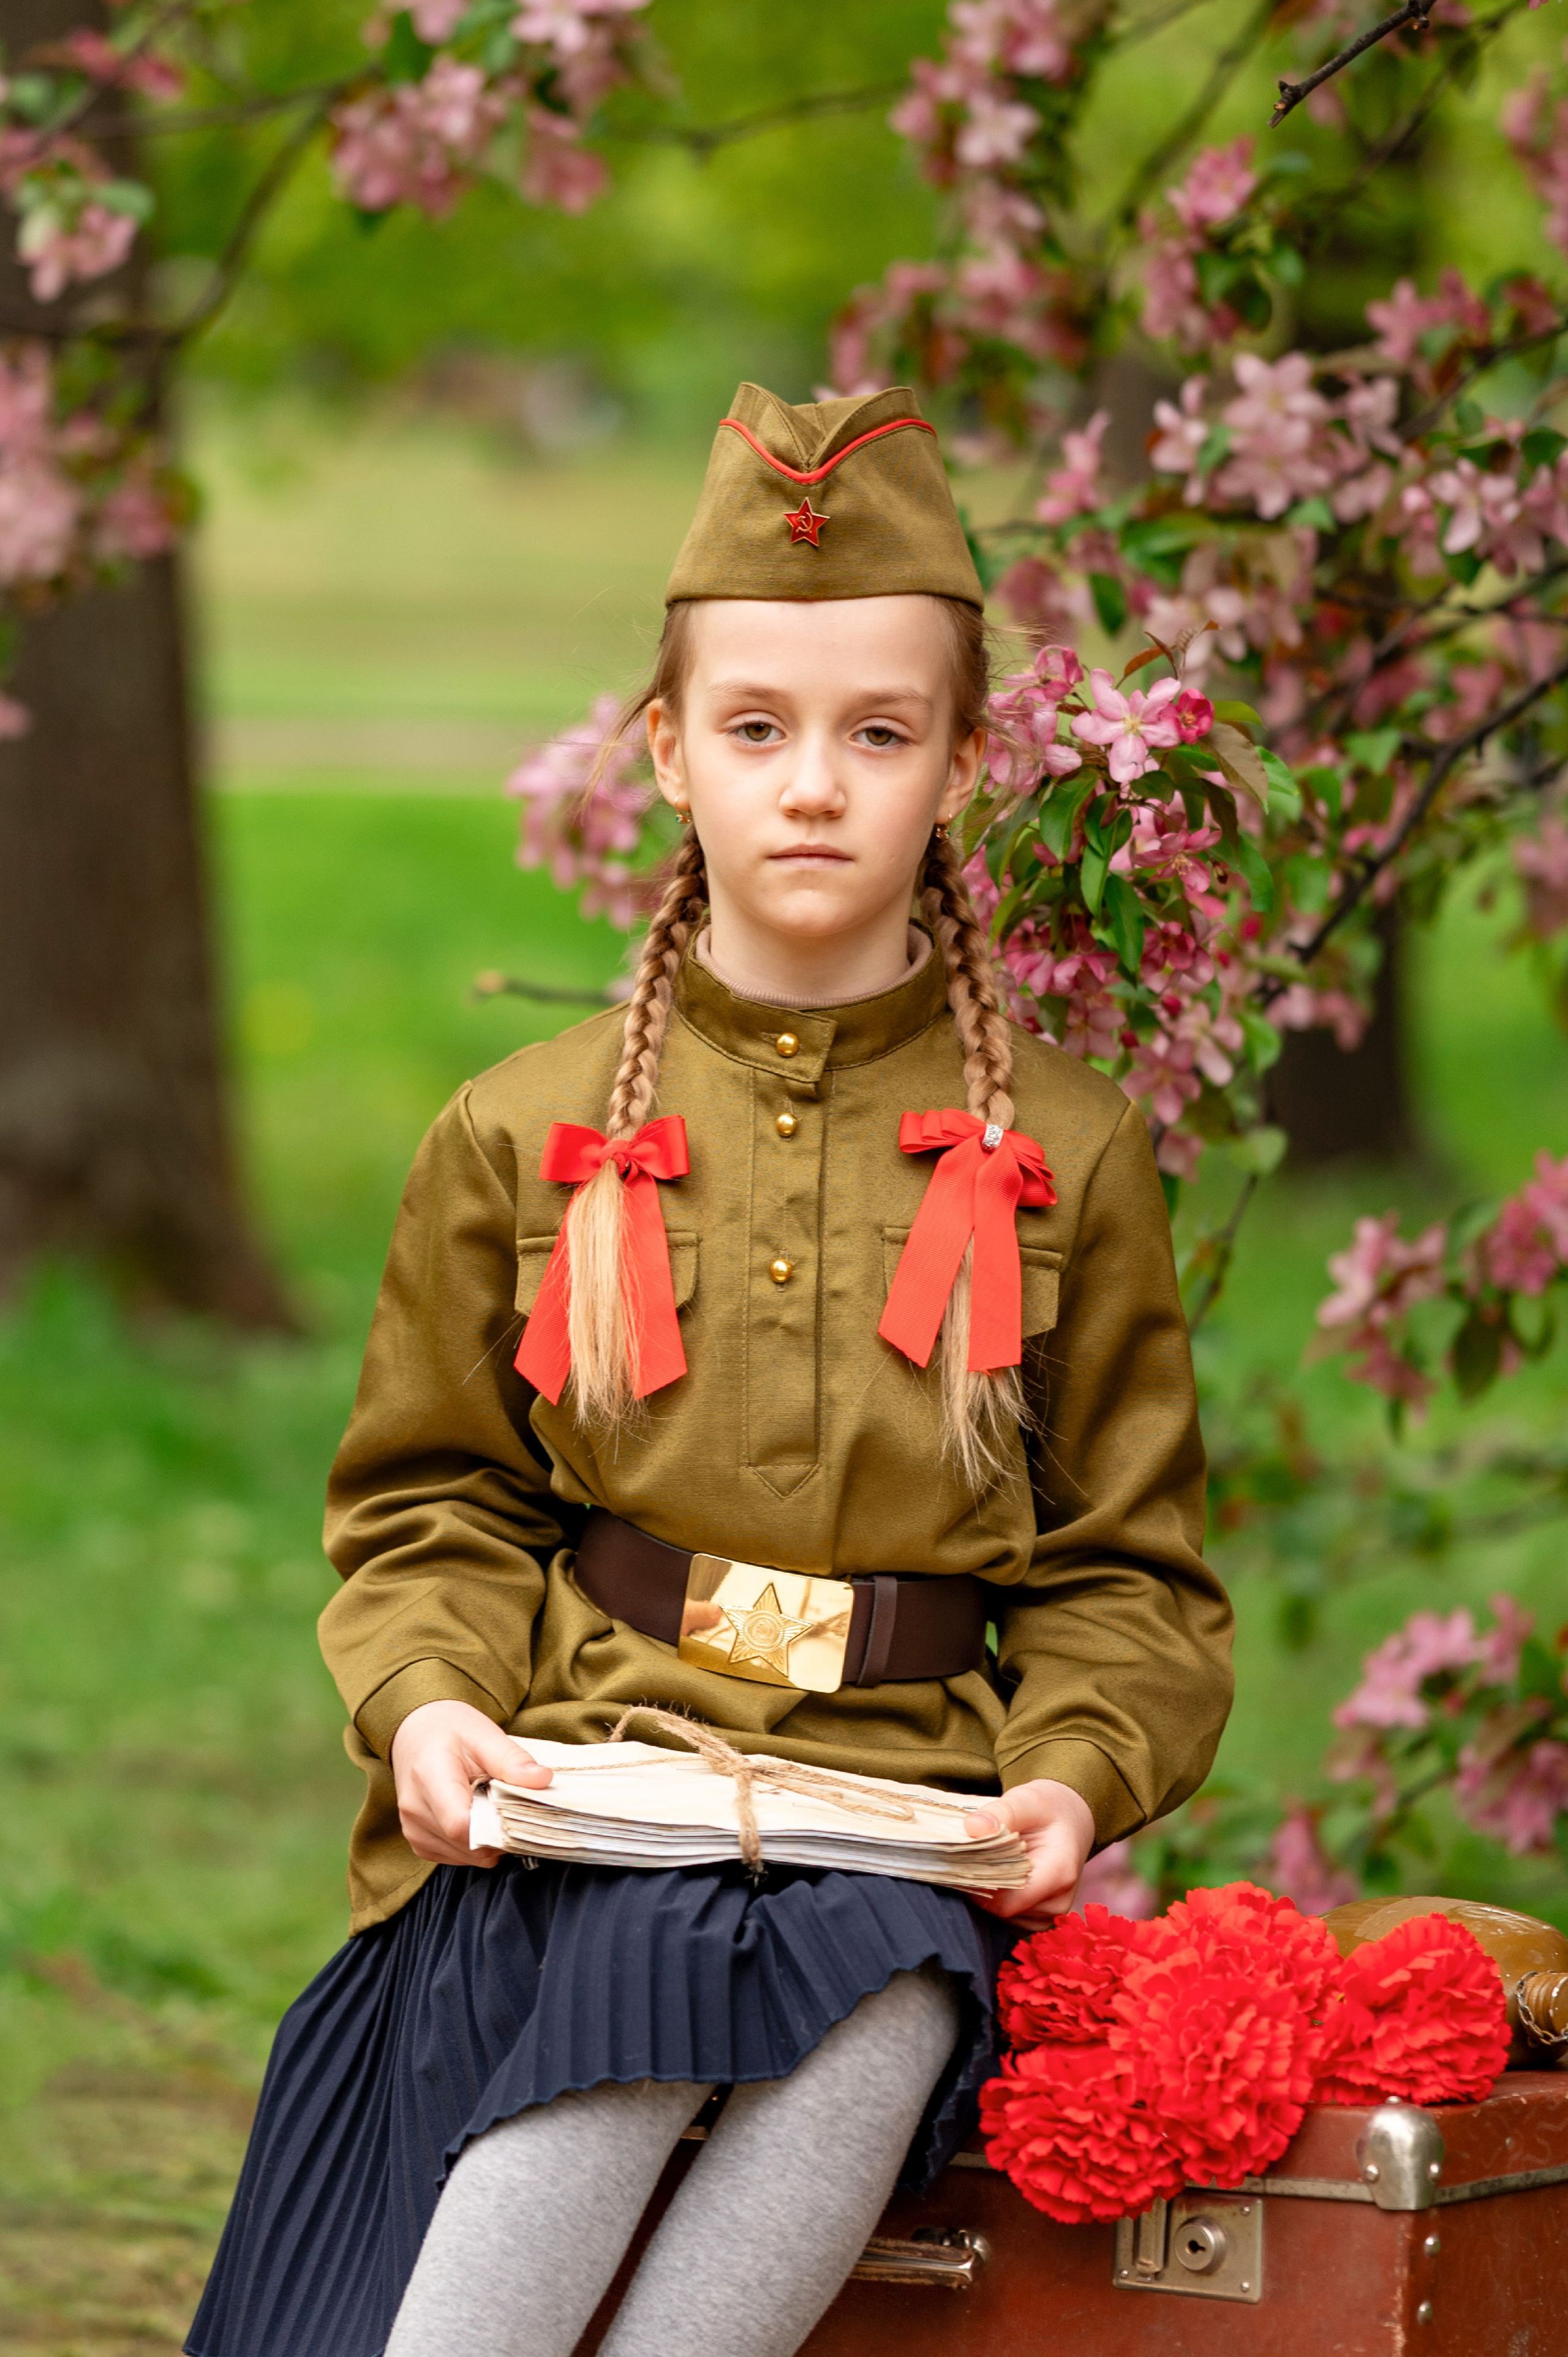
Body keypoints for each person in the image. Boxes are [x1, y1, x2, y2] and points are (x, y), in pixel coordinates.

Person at [186, 382, 1233, 2357]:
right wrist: (426, 1710)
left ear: (965, 762)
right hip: (602, 1803)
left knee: (882, 2007)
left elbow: (1129, 1570)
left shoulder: (1075, 1154)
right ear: (668, 750)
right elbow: (437, 1500)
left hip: (900, 1836)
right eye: (757, 728)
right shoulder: (521, 1130)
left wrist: (1074, 1780)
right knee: (642, 1986)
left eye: (879, 732)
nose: (815, 783)